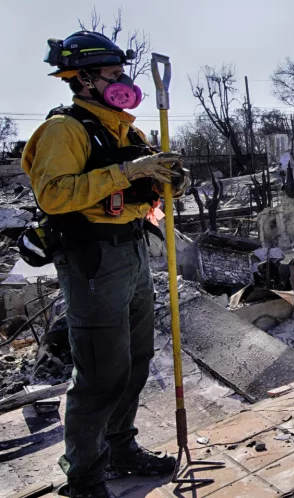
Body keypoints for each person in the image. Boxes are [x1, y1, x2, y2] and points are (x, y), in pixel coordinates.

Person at [22, 31, 189, 498]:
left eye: (122, 74)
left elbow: (146, 188)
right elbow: (54, 194)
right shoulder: (65, 130)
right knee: (99, 371)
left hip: (133, 248)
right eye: (114, 75)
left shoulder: (126, 129)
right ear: (85, 79)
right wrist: (129, 171)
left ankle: (120, 448)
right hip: (94, 258)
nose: (123, 82)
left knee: (135, 360)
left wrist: (170, 177)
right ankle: (85, 477)